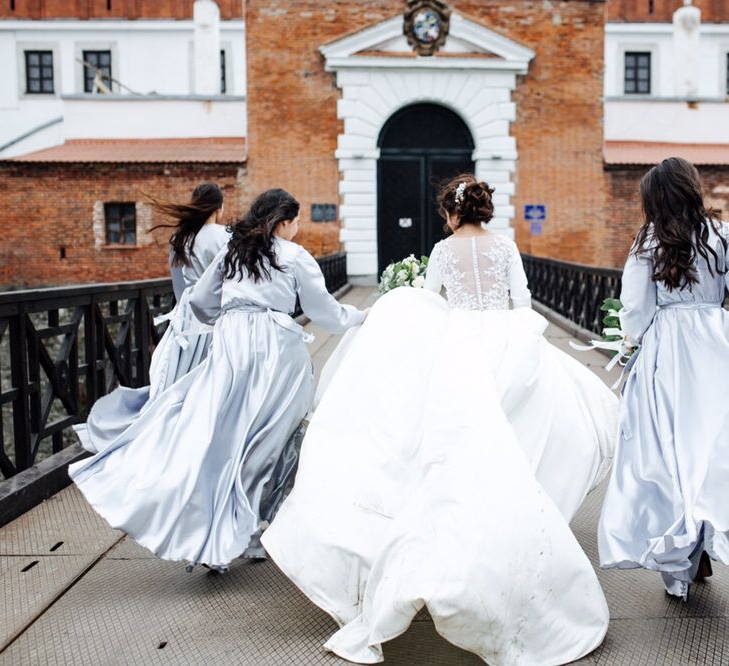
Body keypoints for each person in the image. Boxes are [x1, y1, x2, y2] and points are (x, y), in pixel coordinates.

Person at [262, 175, 616, 664]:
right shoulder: (507, 247)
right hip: (509, 348)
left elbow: (433, 304)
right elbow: (522, 302)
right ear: (484, 209)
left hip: (460, 349)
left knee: (452, 444)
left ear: (451, 213)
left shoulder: (445, 252)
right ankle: (513, 527)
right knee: (518, 436)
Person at [69, 188, 365, 570]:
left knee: (220, 434)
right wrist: (360, 316)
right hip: (276, 353)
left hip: (230, 348)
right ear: (284, 222)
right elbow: (324, 312)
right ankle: (252, 530)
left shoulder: (233, 251)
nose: (297, 230)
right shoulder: (294, 256)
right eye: (296, 222)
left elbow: (199, 303)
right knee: (271, 435)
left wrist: (231, 319)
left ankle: (212, 524)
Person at [597, 157, 729, 601]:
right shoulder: (722, 234)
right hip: (714, 343)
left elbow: (635, 307)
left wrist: (630, 345)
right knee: (709, 447)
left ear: (653, 198)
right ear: (692, 189)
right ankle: (701, 537)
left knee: (670, 454)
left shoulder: (648, 240)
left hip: (667, 352)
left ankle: (679, 558)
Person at [74, 183, 229, 454]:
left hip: (187, 320)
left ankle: (179, 432)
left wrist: (184, 314)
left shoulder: (180, 238)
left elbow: (179, 286)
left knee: (179, 382)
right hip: (217, 318)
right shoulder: (223, 236)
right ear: (219, 208)